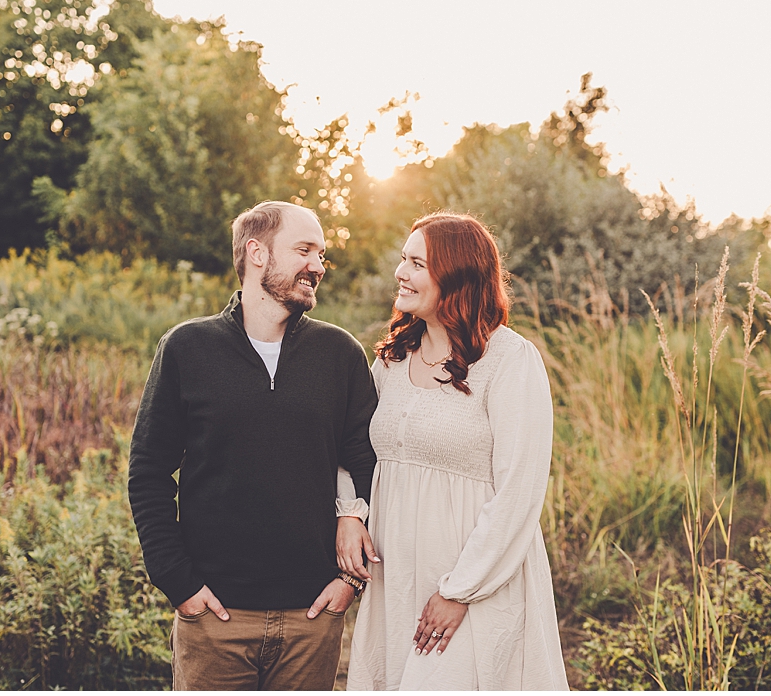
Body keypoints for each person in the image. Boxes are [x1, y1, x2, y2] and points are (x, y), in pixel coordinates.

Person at [128, 201, 378, 690]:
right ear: (256, 253)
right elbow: (149, 473)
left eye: (322, 254)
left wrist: (349, 580)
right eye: (304, 250)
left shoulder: (340, 354)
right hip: (215, 620)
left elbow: (370, 464)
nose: (319, 266)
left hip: (313, 618)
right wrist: (178, 583)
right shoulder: (186, 348)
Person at [336, 212, 570, 690]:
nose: (400, 272)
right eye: (403, 260)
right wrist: (352, 513)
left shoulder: (509, 360)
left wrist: (460, 590)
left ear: (457, 275)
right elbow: (353, 448)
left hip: (473, 580)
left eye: (417, 263)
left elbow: (518, 493)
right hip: (397, 578)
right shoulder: (391, 361)